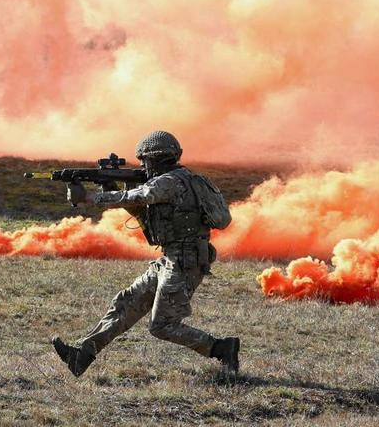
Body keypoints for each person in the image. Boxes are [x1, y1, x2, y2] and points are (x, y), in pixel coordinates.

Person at [51, 131, 240, 377]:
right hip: (171, 258)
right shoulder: (179, 180)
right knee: (126, 302)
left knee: (162, 326)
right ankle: (82, 355)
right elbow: (138, 207)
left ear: (156, 159)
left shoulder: (169, 182)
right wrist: (108, 185)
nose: (142, 166)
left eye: (144, 161)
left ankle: (222, 348)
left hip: (184, 261)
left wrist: (89, 196)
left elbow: (138, 195)